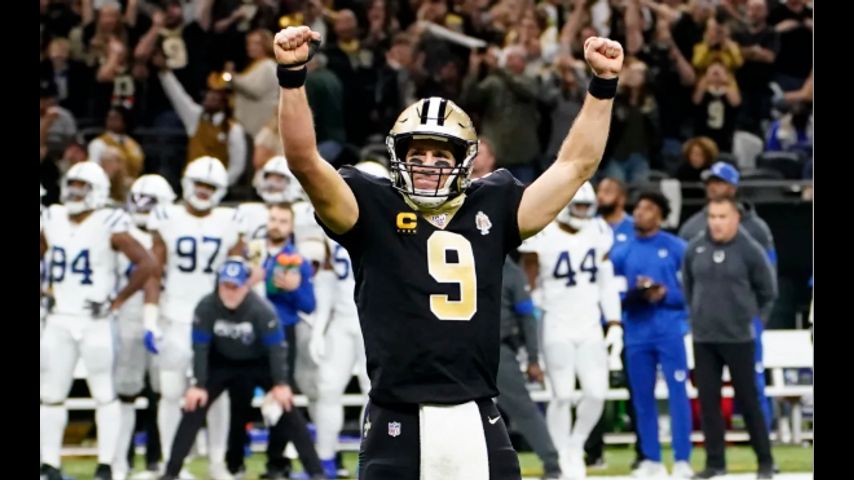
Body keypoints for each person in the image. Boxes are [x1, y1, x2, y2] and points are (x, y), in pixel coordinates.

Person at [271, 25, 623, 479]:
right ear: (398, 157)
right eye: (418, 155)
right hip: (397, 412)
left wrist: (602, 86)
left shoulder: (493, 204)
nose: (428, 167)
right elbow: (303, 160)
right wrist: (292, 77)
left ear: (465, 163)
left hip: (476, 410)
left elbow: (575, 166)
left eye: (442, 158)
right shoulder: (370, 206)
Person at [40, 162, 156, 480]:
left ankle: (106, 465)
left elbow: (147, 263)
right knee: (51, 394)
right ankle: (49, 463)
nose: (74, 191)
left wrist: (116, 301)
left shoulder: (109, 221)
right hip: (60, 317)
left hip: (95, 320)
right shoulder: (52, 217)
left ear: (98, 191)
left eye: (83, 186)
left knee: (104, 394)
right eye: (72, 184)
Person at [158, 259, 325, 480]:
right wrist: (199, 383)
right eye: (225, 285)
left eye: (235, 286)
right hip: (221, 364)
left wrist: (280, 383)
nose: (230, 292)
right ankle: (170, 473)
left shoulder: (262, 310)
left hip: (258, 363)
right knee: (194, 404)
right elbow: (200, 347)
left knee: (287, 406)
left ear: (246, 286)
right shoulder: (206, 307)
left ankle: (317, 473)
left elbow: (277, 349)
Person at [144, 156, 246, 479]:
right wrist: (150, 317)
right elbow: (153, 272)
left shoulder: (231, 220)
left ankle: (217, 462)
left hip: (215, 319)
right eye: (199, 184)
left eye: (210, 186)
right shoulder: (167, 217)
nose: (203, 191)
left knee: (218, 394)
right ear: (187, 183)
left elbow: (238, 276)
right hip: (174, 314)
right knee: (170, 392)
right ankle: (173, 463)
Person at [519, 182, 622, 479]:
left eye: (587, 207)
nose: (583, 213)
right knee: (561, 395)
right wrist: (531, 329)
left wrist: (614, 323)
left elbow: (607, 283)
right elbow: (529, 286)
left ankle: (576, 444)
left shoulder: (599, 231)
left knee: (597, 393)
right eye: (578, 206)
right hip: (556, 322)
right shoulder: (544, 233)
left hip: (589, 323)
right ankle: (561, 453)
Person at [682, 197, 777, 479]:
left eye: (722, 217)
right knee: (708, 402)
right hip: (704, 339)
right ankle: (715, 463)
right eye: (712, 217)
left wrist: (754, 320)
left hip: (739, 338)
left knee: (748, 401)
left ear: (735, 218)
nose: (716, 223)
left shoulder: (750, 249)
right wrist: (696, 316)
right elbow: (688, 285)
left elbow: (768, 290)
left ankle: (765, 462)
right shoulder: (695, 248)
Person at [610, 191, 693, 478]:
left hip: (670, 331)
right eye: (638, 208)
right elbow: (612, 294)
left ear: (660, 215)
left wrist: (666, 293)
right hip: (636, 332)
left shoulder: (677, 248)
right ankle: (651, 459)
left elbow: (693, 292)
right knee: (641, 397)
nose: (639, 213)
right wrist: (636, 293)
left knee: (678, 394)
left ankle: (682, 459)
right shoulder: (622, 252)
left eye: (647, 208)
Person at [112, 174, 176, 479]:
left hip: (164, 312)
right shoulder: (119, 232)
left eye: (148, 201)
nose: (141, 207)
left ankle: (159, 459)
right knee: (124, 391)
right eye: (137, 199)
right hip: (129, 313)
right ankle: (119, 459)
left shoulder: (171, 232)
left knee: (163, 392)